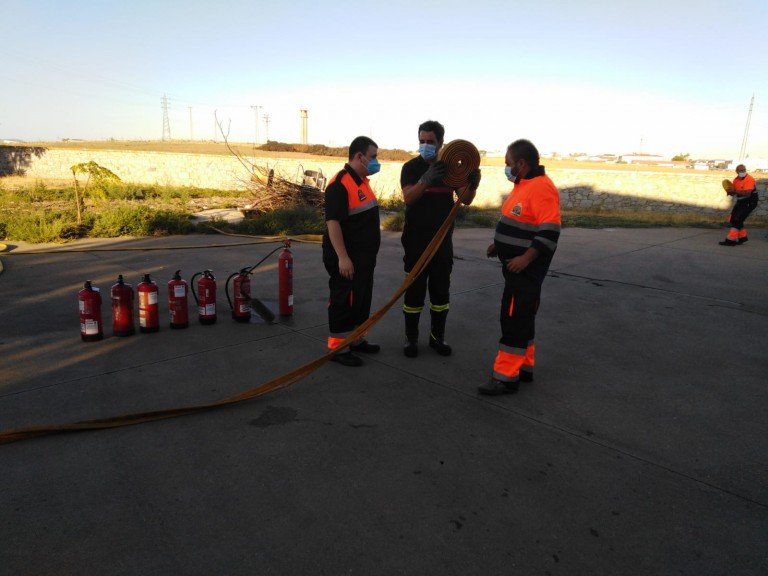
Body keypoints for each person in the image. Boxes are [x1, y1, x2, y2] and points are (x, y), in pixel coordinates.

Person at [478, 139, 561, 395]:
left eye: (508, 163)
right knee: (523, 318)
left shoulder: (541, 188)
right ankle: (524, 367)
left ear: (522, 164)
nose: (506, 168)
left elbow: (550, 231)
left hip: (525, 271)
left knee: (513, 320)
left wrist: (525, 258)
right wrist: (499, 245)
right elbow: (519, 221)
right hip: (514, 269)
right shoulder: (523, 184)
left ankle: (505, 377)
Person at [399, 120, 481, 358]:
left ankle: (437, 339)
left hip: (442, 243)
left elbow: (466, 199)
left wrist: (472, 184)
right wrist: (426, 179)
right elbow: (408, 198)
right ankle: (411, 340)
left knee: (440, 294)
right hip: (415, 242)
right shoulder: (411, 168)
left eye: (430, 141)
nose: (425, 145)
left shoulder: (451, 169)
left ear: (441, 143)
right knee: (414, 294)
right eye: (421, 141)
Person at [323, 136, 382, 367]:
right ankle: (339, 349)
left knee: (361, 300)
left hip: (364, 259)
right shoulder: (340, 184)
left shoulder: (362, 182)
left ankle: (356, 339)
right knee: (344, 301)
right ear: (359, 156)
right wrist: (343, 258)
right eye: (373, 156)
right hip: (347, 259)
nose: (376, 161)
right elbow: (333, 223)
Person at [720, 164, 758, 246]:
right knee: (733, 219)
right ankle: (743, 237)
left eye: (744, 170)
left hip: (750, 202)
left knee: (737, 220)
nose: (743, 172)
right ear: (736, 171)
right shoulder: (735, 180)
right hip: (741, 201)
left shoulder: (749, 179)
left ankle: (730, 240)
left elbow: (747, 193)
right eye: (741, 170)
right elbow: (735, 192)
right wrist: (729, 192)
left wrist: (734, 191)